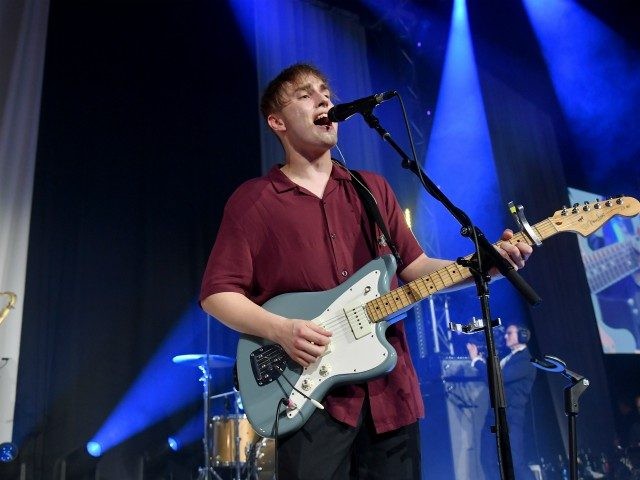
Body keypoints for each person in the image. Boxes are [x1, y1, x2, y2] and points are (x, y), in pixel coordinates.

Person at [199, 63, 533, 480]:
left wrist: (488, 266)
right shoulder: (254, 202)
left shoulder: (371, 189)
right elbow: (217, 293)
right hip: (310, 401)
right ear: (276, 121)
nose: (324, 99)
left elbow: (416, 268)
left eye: (325, 90)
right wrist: (279, 329)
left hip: (391, 395)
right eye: (305, 95)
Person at [467, 323, 537, 480]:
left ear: (522, 336)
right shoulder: (508, 358)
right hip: (494, 416)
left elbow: (499, 379)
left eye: (510, 333)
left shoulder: (526, 361)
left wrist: (477, 361)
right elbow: (492, 378)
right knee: (487, 460)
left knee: (515, 463)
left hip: (511, 419)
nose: (506, 336)